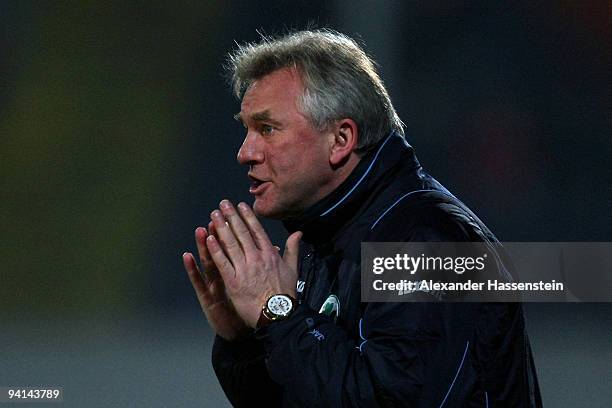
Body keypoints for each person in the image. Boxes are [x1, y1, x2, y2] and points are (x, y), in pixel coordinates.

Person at [182, 29, 542, 407]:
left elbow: (393, 401)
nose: (245, 152)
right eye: (246, 129)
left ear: (341, 139)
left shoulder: (423, 239)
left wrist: (279, 314)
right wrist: (247, 341)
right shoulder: (326, 240)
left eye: (267, 128)